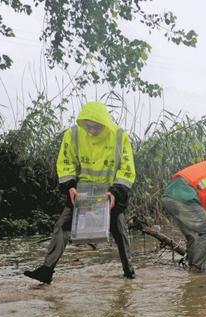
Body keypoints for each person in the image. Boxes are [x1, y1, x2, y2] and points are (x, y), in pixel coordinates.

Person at [24, 101, 137, 284]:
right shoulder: (74, 134)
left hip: (109, 194)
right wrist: (70, 186)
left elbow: (127, 169)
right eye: (88, 126)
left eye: (96, 127)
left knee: (120, 229)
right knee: (62, 226)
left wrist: (115, 192)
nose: (91, 130)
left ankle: (129, 272)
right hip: (81, 193)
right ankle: (46, 270)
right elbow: (65, 162)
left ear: (104, 123)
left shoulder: (119, 136)